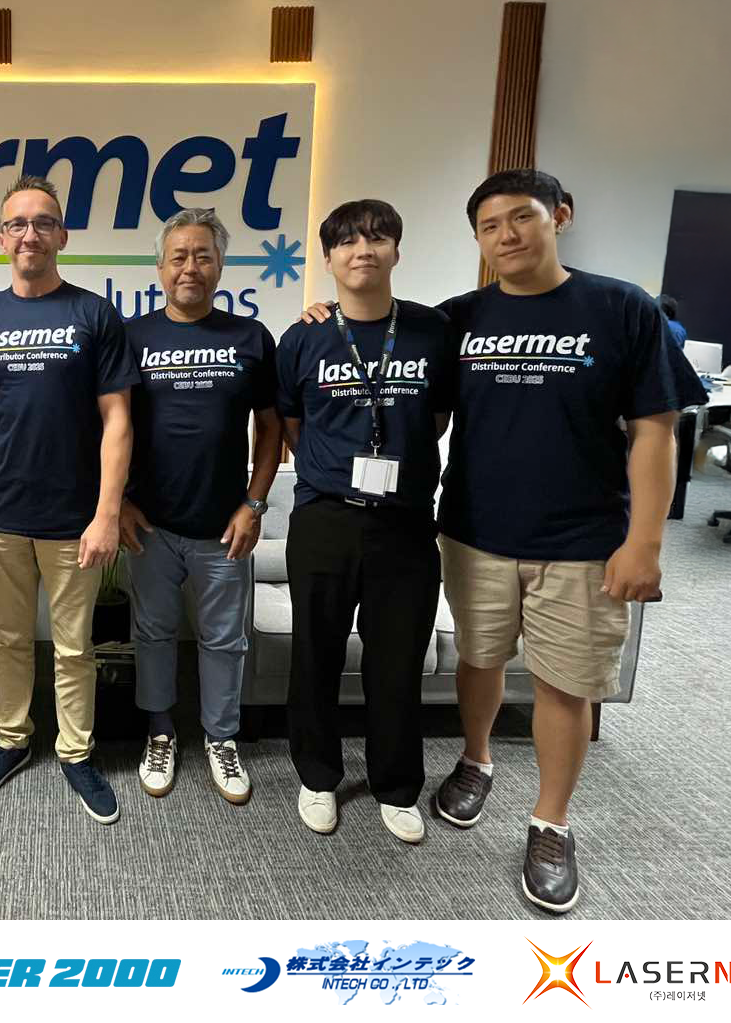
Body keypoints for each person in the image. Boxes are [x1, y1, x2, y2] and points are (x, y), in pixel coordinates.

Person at [301, 170, 705, 912]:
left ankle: (550, 823)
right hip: (475, 532)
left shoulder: (621, 307)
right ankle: (476, 760)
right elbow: (394, 380)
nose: (507, 235)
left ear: (561, 216)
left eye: (522, 218)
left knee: (564, 682)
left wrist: (645, 542)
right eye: (490, 226)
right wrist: (326, 316)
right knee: (480, 659)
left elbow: (657, 429)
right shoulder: (458, 319)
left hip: (582, 537)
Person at [0, 175, 139, 825]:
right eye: (17, 224)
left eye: (43, 222)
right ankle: (11, 740)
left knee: (74, 646)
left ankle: (76, 751)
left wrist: (107, 514)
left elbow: (118, 419)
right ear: (1, 239)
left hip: (74, 520)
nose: (30, 233)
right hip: (2, 518)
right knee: (8, 640)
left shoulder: (94, 314)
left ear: (63, 235)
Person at [277, 200, 455, 844]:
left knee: (398, 659)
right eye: (348, 242)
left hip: (405, 522)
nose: (364, 251)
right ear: (328, 258)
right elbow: (292, 425)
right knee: (315, 654)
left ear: (396, 252)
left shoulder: (431, 331)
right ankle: (318, 776)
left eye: (378, 239)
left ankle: (397, 787)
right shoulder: (303, 337)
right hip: (324, 518)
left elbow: (437, 418)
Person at [121, 208, 281, 805]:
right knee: (153, 633)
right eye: (179, 256)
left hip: (224, 526)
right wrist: (120, 503)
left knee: (224, 640)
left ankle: (221, 737)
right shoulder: (132, 337)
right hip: (150, 524)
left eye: (203, 256)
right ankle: (160, 732)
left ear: (220, 266)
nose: (190, 267)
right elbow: (107, 426)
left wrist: (254, 503)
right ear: (160, 268)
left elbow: (271, 428)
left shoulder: (250, 337)